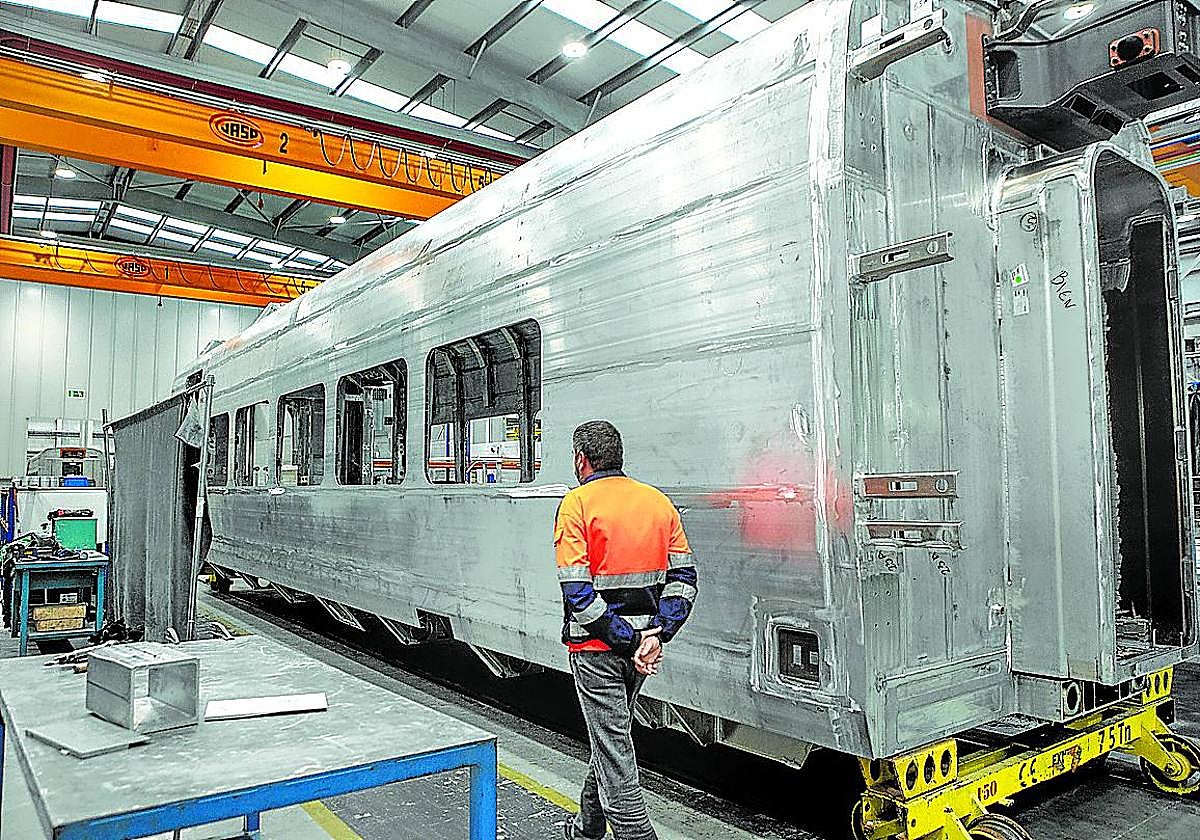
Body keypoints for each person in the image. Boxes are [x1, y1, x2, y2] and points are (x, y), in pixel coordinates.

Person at [554, 420, 699, 840]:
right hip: (641, 655)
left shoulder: (577, 505)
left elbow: (579, 594)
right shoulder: (658, 503)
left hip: (596, 650)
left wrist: (630, 640)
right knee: (610, 739)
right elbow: (684, 581)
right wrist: (656, 634)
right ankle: (586, 829)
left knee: (614, 751)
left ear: (581, 460)